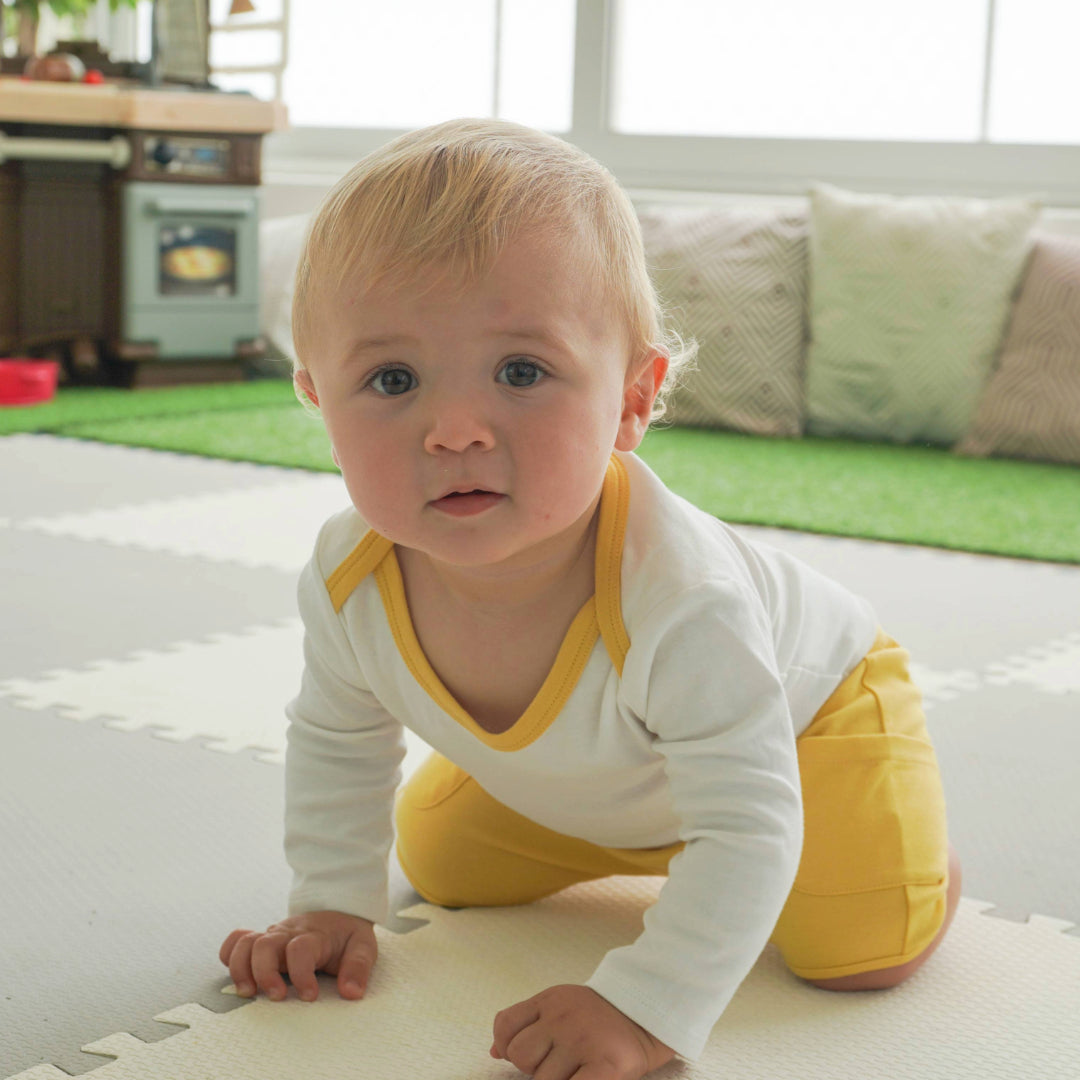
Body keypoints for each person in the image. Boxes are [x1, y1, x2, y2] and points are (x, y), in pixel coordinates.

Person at [219, 118, 961, 1080]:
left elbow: (744, 820)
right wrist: (329, 901)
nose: (453, 430)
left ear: (631, 400)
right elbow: (337, 735)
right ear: (320, 403)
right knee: (442, 864)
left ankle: (915, 856)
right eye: (391, 379)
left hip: (808, 725)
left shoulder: (679, 594)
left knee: (861, 953)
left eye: (521, 372)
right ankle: (654, 845)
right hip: (619, 775)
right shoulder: (348, 572)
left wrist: (645, 1009)